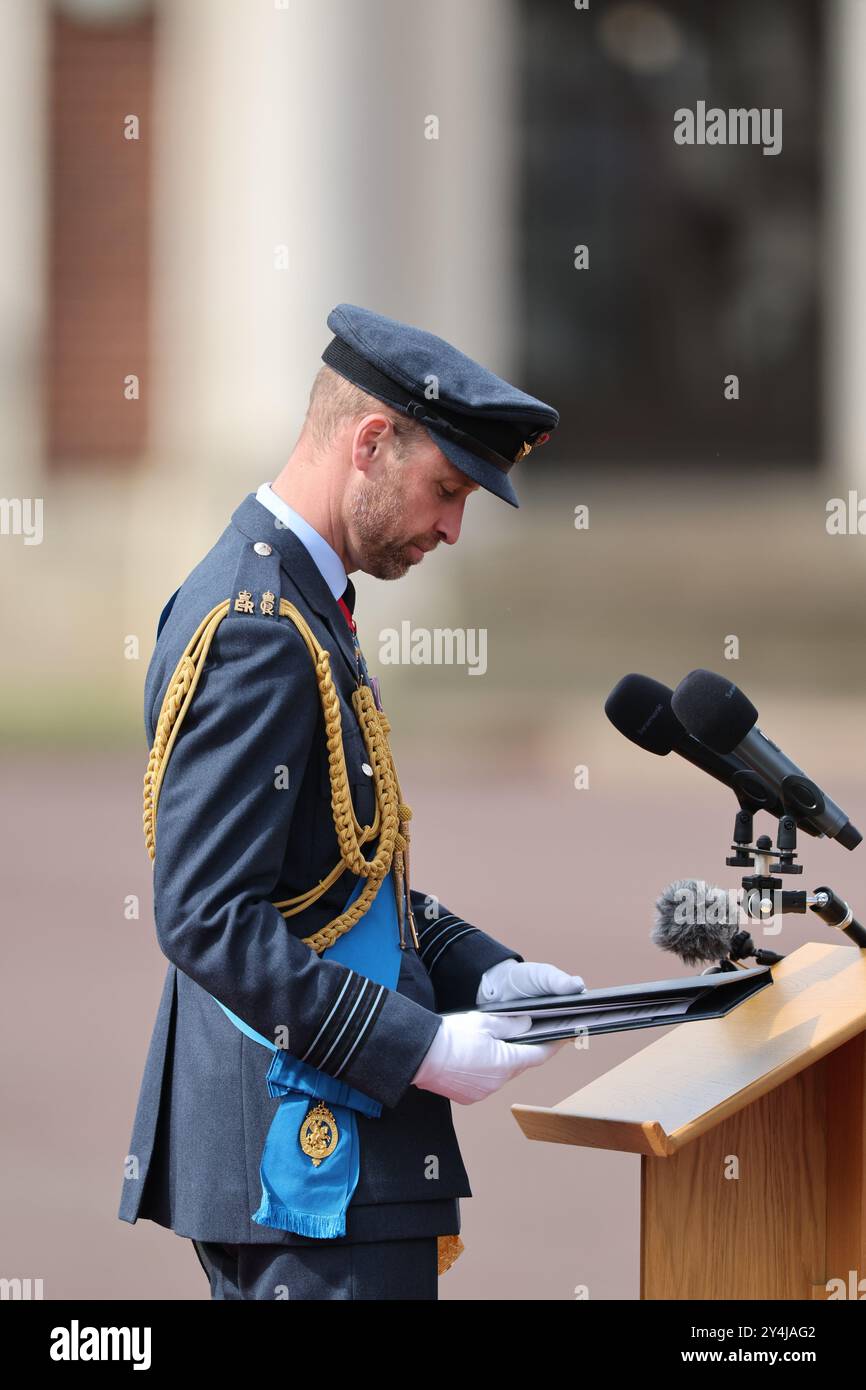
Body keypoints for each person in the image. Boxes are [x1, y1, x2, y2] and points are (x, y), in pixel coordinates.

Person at [118, 303, 586, 1301]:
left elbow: (332, 878)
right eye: (446, 489)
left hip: (319, 1143)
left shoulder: (296, 597)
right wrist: (416, 1045)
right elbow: (208, 917)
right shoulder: (257, 625)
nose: (452, 528)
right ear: (371, 441)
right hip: (301, 1157)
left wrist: (483, 973)